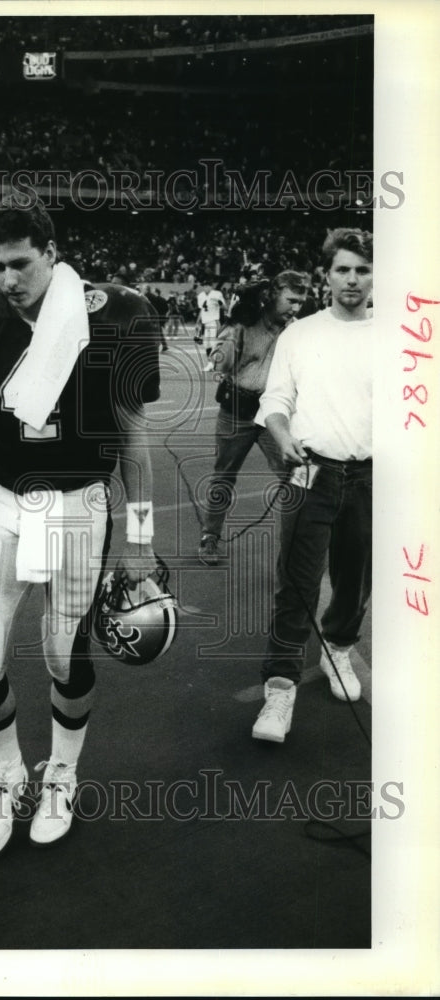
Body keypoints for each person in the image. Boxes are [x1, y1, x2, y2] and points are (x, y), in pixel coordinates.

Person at [0, 196, 161, 858]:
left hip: (76, 505)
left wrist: (142, 542)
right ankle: (7, 775)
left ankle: (59, 773)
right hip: (6, 502)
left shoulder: (115, 312)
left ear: (51, 255)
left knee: (64, 654)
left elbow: (132, 436)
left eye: (21, 264)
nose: (7, 278)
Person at [251, 229, 373, 743]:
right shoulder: (300, 335)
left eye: (362, 269)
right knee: (296, 580)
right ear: (327, 275)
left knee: (357, 577)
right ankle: (280, 687)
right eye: (343, 269)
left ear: (375, 276)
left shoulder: (401, 335)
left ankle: (338, 649)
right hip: (311, 472)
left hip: (373, 475)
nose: (352, 279)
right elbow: (274, 402)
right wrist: (281, 435)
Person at [198, 271, 311, 565]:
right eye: (290, 301)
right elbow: (218, 364)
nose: (295, 309)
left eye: (300, 303)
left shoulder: (297, 330)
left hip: (274, 415)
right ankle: (210, 536)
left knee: (296, 476)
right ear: (272, 296)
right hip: (236, 410)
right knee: (223, 476)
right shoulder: (245, 324)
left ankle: (298, 543)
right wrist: (230, 332)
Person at [195, 279, 226, 368]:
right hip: (205, 323)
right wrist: (198, 323)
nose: (205, 288)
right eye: (204, 286)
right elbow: (202, 310)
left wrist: (219, 303)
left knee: (213, 343)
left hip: (214, 321)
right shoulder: (201, 296)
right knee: (206, 344)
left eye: (207, 285)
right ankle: (210, 362)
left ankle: (213, 363)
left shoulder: (217, 294)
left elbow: (225, 307)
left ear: (211, 286)